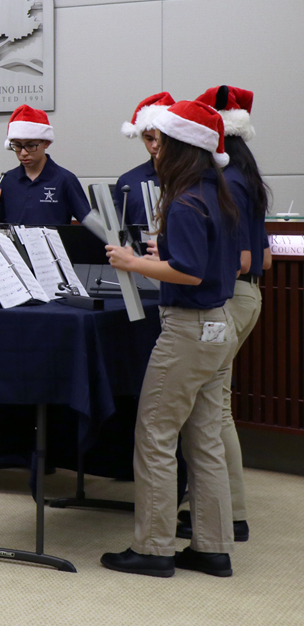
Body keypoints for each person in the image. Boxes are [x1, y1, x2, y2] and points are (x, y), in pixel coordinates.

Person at [101, 99, 241, 578]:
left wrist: (133, 262)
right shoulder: (217, 193)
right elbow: (212, 262)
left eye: (162, 142)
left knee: (155, 434)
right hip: (219, 324)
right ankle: (213, 548)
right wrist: (164, 255)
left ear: (183, 147)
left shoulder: (183, 201)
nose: (155, 150)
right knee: (205, 439)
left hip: (188, 329)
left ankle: (154, 547)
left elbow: (189, 272)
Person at [173, 85, 272, 544]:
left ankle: (228, 515)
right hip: (248, 296)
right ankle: (227, 513)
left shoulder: (225, 182)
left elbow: (245, 259)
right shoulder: (247, 176)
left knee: (213, 414)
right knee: (216, 410)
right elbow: (264, 259)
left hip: (229, 296)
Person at [0, 104, 90, 225]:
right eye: (17, 146)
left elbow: (90, 224)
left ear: (46, 143)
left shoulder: (65, 180)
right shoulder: (7, 181)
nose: (23, 153)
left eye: (31, 145)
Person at [116, 92, 174, 225]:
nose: (155, 145)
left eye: (161, 138)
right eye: (149, 138)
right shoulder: (128, 181)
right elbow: (121, 229)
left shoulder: (192, 178)